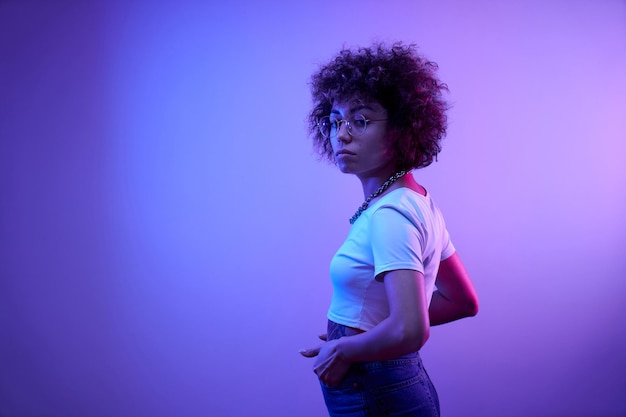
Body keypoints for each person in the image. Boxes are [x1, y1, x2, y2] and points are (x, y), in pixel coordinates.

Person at [299, 42, 480, 417]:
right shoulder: (416, 201)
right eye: (336, 121)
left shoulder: (390, 215)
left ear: (401, 128)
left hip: (376, 391)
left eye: (361, 120)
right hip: (390, 385)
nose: (342, 135)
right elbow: (462, 300)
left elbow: (411, 330)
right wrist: (359, 331)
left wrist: (345, 348)